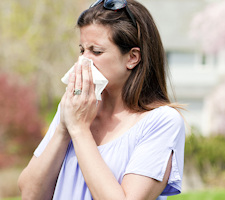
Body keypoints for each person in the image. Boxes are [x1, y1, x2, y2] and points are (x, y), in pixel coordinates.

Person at [18, 0, 185, 199]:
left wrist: (79, 130)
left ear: (132, 57)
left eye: (96, 51)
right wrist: (64, 128)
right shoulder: (75, 108)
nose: (83, 61)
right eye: (82, 50)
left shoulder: (161, 122)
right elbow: (29, 194)